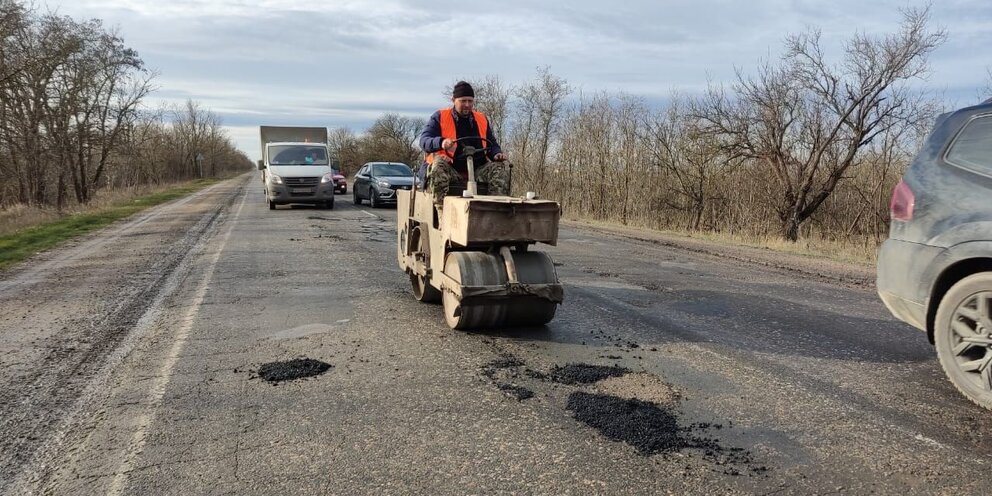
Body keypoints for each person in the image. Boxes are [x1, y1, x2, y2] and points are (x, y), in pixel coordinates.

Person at [418, 81, 510, 208]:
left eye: (470, 101)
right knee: (438, 165)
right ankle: (440, 212)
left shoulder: (481, 119)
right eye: (463, 101)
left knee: (501, 167)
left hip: (477, 169)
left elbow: (492, 143)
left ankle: (495, 210)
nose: (467, 105)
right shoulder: (439, 117)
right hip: (450, 169)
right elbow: (424, 140)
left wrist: (497, 154)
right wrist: (441, 142)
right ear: (454, 100)